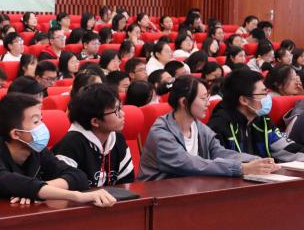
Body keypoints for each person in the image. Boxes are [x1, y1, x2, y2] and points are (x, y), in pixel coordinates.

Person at [0, 93, 115, 206]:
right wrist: (76, 196)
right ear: (16, 134)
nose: (43, 126)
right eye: (36, 121)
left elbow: (78, 177)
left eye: (41, 120)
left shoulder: (36, 149)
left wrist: (35, 191)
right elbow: (6, 181)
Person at [138, 76, 276, 180]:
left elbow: (220, 152)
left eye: (208, 97)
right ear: (184, 102)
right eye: (203, 98)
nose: (208, 103)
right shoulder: (161, 133)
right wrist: (241, 168)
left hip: (188, 190)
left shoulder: (199, 127)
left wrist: (256, 160)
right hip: (158, 196)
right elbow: (190, 164)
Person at [209, 69, 304, 162]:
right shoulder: (219, 125)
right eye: (263, 93)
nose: (267, 98)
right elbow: (221, 160)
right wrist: (256, 163)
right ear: (244, 100)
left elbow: (285, 147)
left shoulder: (262, 119)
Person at [53, 84, 134, 185]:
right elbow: (64, 188)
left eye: (120, 108)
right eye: (116, 111)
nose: (123, 114)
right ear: (95, 121)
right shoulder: (70, 145)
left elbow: (127, 182)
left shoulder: (117, 139)